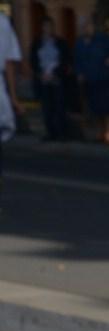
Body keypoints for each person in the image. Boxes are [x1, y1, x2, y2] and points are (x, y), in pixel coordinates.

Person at [74, 16, 109, 145]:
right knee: (96, 108)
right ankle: (101, 132)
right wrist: (79, 73)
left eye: (89, 26)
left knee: (108, 107)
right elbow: (77, 60)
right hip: (90, 80)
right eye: (84, 27)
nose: (87, 29)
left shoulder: (102, 39)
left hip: (104, 78)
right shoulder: (80, 43)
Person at [30, 17, 70, 142]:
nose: (48, 29)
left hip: (57, 79)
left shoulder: (61, 42)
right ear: (42, 28)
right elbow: (33, 61)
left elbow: (65, 60)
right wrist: (40, 73)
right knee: (47, 108)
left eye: (50, 26)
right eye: (45, 26)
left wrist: (55, 73)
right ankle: (50, 132)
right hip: (43, 80)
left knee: (60, 107)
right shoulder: (37, 43)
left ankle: (62, 133)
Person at [0, 8, 23, 202]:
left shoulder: (3, 23)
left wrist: (13, 97)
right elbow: (9, 63)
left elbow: (9, 62)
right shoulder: (4, 22)